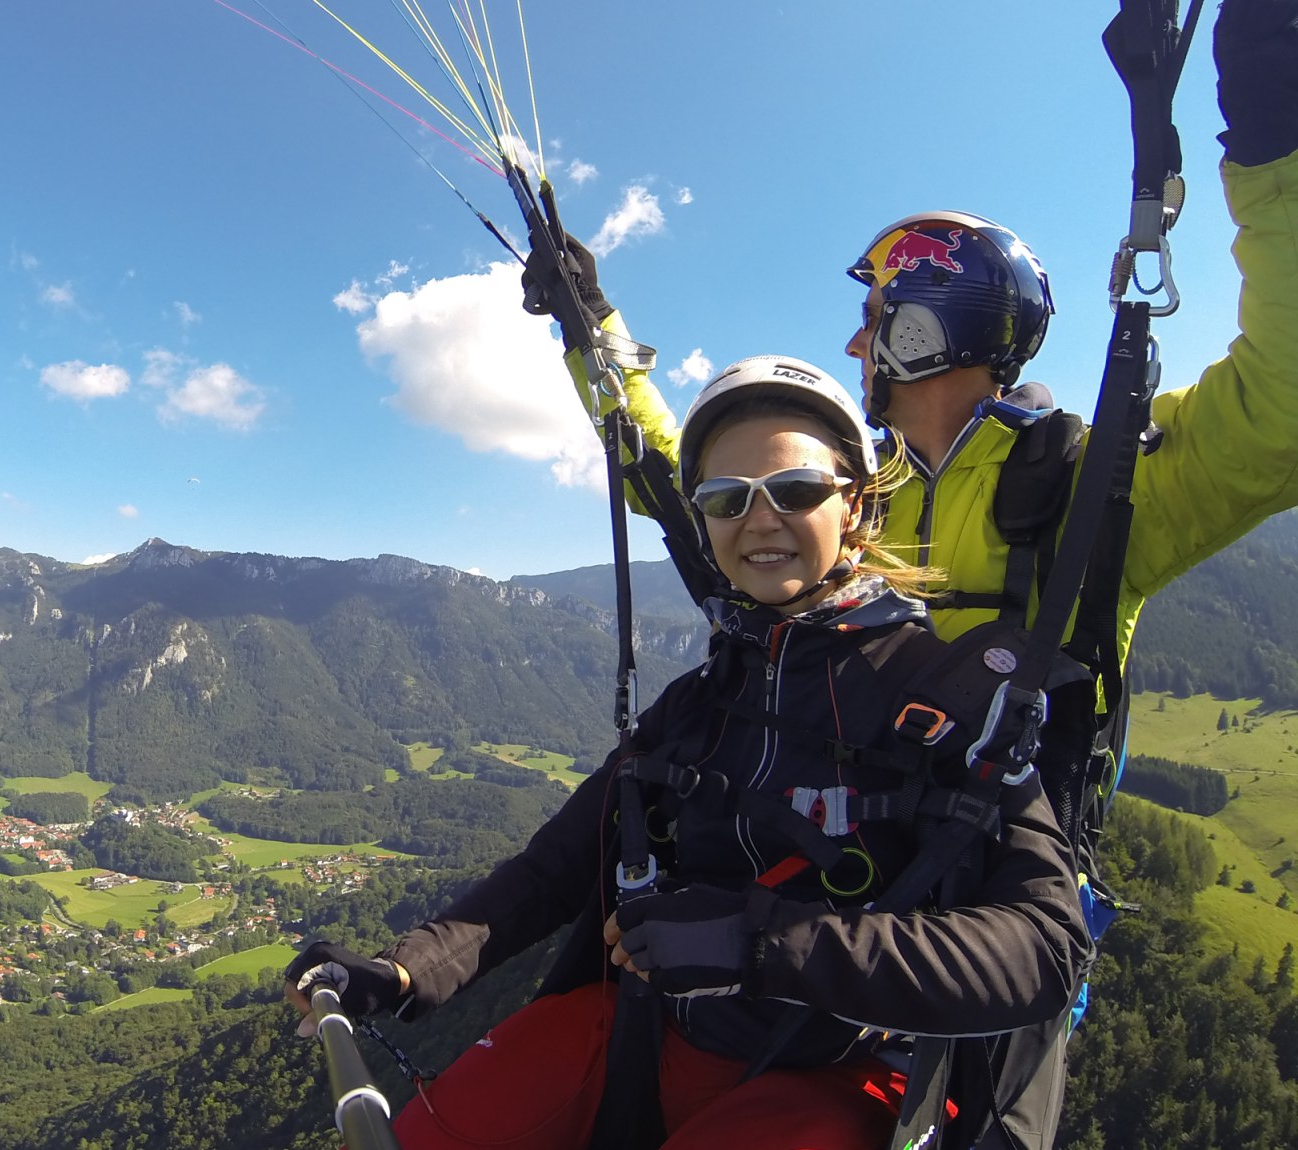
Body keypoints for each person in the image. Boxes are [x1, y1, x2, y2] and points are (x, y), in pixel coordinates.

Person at [285, 357, 1093, 1149]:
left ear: (853, 505)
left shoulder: (945, 702)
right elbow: (559, 866)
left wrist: (762, 942)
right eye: (726, 497)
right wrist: (402, 971)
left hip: (838, 1070)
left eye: (796, 490)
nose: (761, 519)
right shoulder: (700, 703)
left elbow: (1046, 947)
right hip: (647, 1028)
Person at [525, 0, 1298, 665]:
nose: (857, 348)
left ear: (929, 328)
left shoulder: (1093, 484)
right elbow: (674, 481)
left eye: (874, 321)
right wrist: (588, 323)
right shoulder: (846, 499)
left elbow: (1282, 405)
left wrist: (1275, 144)